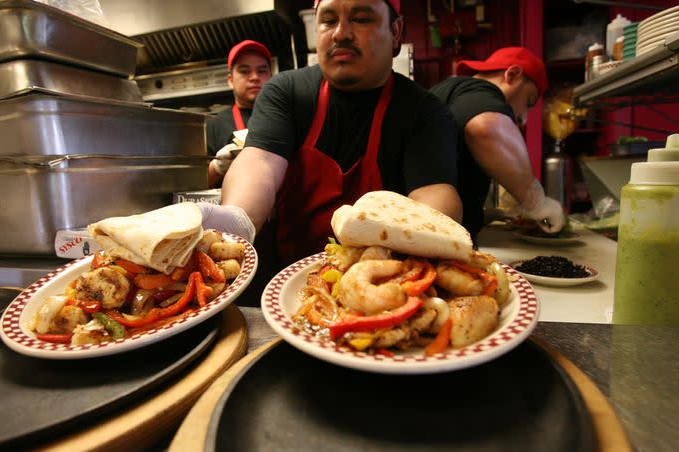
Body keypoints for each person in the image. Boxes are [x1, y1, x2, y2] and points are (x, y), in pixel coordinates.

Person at [200, 0, 462, 268]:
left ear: (396, 32)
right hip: (287, 283)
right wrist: (237, 220)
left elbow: (433, 194)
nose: (340, 33)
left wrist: (409, 264)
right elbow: (260, 162)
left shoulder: (423, 110)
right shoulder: (287, 92)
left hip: (385, 275)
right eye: (328, 20)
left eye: (361, 19)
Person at [430, 46, 565, 239]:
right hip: (440, 244)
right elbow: (485, 128)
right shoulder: (482, 91)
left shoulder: (451, 91)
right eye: (528, 101)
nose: (524, 118)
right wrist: (536, 201)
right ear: (513, 75)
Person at [206, 40, 273, 188]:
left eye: (262, 71)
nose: (254, 77)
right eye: (244, 71)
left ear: (271, 76)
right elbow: (194, 183)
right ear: (230, 80)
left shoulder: (284, 118)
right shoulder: (213, 125)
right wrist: (217, 167)